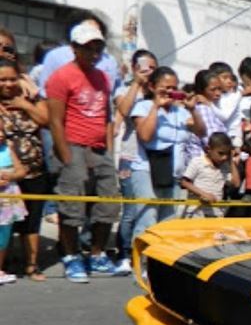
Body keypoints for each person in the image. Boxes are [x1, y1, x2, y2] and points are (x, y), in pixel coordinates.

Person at [45, 22, 118, 282]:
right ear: (75, 48)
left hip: (98, 148)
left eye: (98, 47)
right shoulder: (61, 77)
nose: (94, 53)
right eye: (88, 48)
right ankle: (71, 255)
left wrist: (108, 150)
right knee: (71, 207)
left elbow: (107, 115)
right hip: (72, 146)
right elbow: (54, 120)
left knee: (108, 204)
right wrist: (65, 156)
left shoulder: (103, 77)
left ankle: (96, 254)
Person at [133, 66, 203, 233]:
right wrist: (156, 107)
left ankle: (157, 259)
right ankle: (138, 258)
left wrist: (193, 110)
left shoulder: (180, 111)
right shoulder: (143, 106)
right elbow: (144, 136)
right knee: (147, 220)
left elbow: (201, 132)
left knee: (168, 223)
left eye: (174, 88)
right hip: (148, 170)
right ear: (152, 87)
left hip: (173, 174)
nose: (170, 92)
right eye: (166, 88)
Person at [0, 55, 49, 280]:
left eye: (12, 79)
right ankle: (5, 263)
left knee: (33, 220)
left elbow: (46, 119)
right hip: (6, 173)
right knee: (5, 221)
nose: (8, 84)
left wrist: (24, 104)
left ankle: (32, 264)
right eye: (2, 80)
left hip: (35, 170)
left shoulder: (28, 97)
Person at [112, 50, 156, 269]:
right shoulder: (125, 89)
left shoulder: (158, 92)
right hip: (130, 157)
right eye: (145, 68)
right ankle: (123, 254)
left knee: (147, 209)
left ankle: (142, 253)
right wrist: (137, 84)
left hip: (153, 160)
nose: (149, 73)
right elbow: (124, 109)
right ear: (134, 68)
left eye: (153, 68)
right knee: (130, 209)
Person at [38, 12, 120, 96]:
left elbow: (113, 94)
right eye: (87, 32)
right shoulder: (55, 56)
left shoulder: (110, 61)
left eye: (96, 32)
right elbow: (45, 93)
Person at [181, 132, 237, 218]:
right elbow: (184, 182)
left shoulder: (225, 167)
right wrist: (203, 194)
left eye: (227, 154)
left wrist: (231, 161)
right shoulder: (197, 162)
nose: (224, 157)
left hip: (216, 213)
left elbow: (236, 183)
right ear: (208, 149)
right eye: (221, 153)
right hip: (197, 213)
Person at [0, 130, 28, 284]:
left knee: (3, 236)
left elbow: (21, 171)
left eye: (2, 130)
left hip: (7, 201)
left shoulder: (7, 149)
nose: (1, 134)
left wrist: (11, 176)